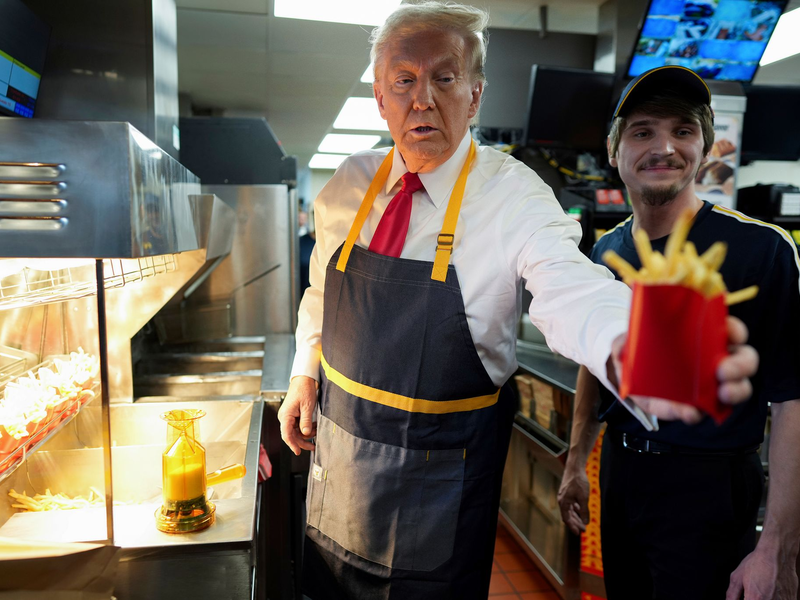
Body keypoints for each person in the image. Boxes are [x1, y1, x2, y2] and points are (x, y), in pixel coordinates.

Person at [279, 5, 758, 598]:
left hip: (440, 494)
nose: (422, 98)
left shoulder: (515, 197)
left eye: (445, 78)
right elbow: (323, 292)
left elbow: (571, 288)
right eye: (404, 80)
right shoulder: (348, 185)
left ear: (475, 96)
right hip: (341, 472)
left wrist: (641, 346)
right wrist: (305, 370)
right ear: (380, 97)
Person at [557, 65, 800, 600]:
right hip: (622, 475)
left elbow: (792, 402)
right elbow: (594, 362)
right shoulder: (606, 251)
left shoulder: (763, 251)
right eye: (643, 130)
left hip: (709, 488)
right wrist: (577, 461)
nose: (664, 147)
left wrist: (779, 546)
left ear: (705, 146)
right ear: (615, 149)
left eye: (683, 131)